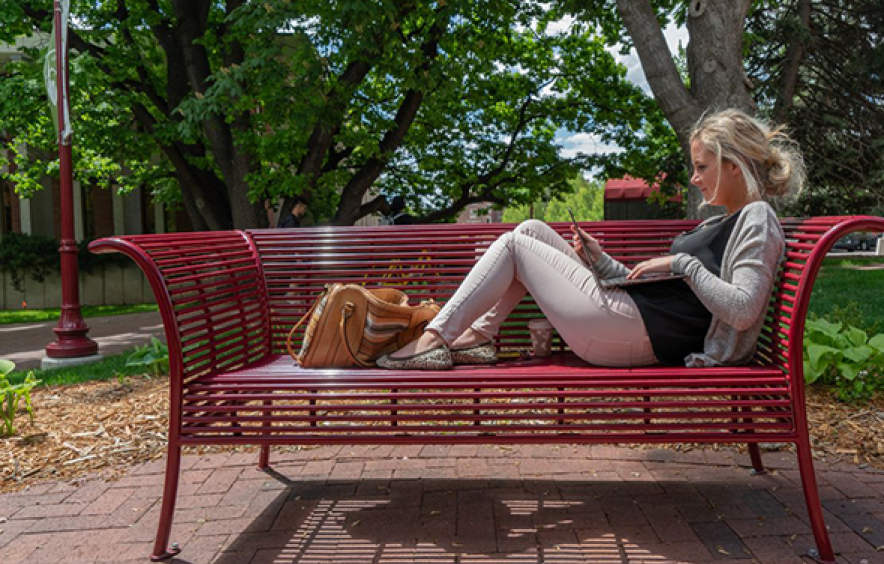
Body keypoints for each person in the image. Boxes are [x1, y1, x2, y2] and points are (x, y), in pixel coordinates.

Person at [376, 108, 804, 370]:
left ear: (734, 165)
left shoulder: (756, 218)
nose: (694, 178)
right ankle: (481, 336)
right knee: (529, 230)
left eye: (701, 166)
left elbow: (744, 310)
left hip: (632, 334)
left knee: (514, 246)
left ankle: (435, 339)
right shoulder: (720, 223)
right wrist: (601, 263)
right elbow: (668, 292)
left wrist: (680, 264)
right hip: (629, 319)